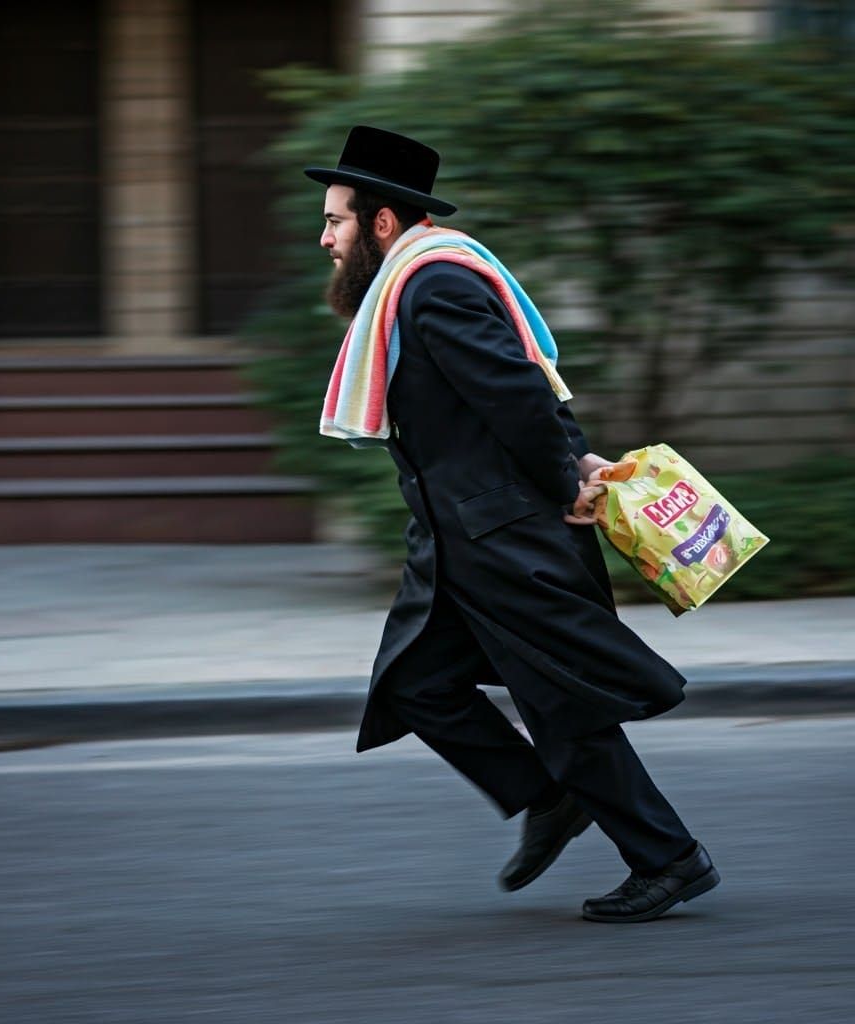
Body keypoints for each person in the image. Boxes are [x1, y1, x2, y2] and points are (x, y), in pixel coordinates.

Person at [305, 125, 719, 923]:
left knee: (561, 708)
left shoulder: (433, 285)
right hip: (460, 541)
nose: (325, 237)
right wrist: (576, 456)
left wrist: (567, 477)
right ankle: (548, 800)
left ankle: (669, 859)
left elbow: (520, 396)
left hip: (503, 538)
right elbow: (520, 389)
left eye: (337, 220)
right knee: (418, 685)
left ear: (382, 223)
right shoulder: (412, 285)